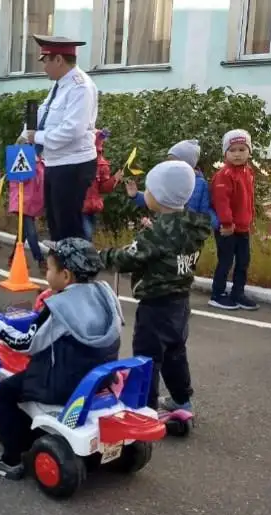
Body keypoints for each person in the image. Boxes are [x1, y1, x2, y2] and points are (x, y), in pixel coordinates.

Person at [0, 238, 123, 480]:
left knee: (4, 392)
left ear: (65, 276)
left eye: (49, 269)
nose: (46, 274)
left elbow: (27, 343)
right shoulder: (105, 294)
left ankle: (10, 461)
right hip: (99, 377)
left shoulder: (60, 307)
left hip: (61, 384)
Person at [99, 160, 211, 413]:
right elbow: (168, 247)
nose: (145, 193)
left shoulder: (157, 234)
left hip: (155, 305)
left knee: (146, 359)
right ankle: (182, 400)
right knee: (175, 353)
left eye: (148, 190)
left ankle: (144, 409)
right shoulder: (192, 225)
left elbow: (127, 258)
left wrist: (101, 255)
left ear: (160, 197)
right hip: (180, 302)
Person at [19, 35, 98, 242]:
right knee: (55, 223)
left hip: (73, 164)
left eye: (45, 61)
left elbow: (73, 129)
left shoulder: (80, 87)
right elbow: (44, 115)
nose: (44, 67)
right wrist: (24, 136)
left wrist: (37, 136)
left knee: (68, 227)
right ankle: (61, 261)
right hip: (56, 162)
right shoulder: (60, 85)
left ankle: (75, 263)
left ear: (59, 60)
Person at [208, 129, 258, 311]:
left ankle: (238, 293)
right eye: (232, 150)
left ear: (249, 152)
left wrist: (250, 219)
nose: (237, 154)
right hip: (227, 228)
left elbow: (249, 199)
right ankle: (217, 294)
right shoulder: (224, 175)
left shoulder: (248, 172)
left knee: (243, 262)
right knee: (226, 261)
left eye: (242, 149)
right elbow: (221, 202)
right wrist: (227, 223)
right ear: (225, 153)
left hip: (243, 227)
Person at [126, 139, 218, 228]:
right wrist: (136, 195)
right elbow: (156, 199)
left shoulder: (201, 184)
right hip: (167, 229)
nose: (168, 163)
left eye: (173, 160)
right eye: (168, 160)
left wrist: (219, 224)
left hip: (187, 233)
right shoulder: (167, 179)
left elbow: (205, 212)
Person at [82, 128, 123, 241]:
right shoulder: (78, 159)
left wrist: (115, 179)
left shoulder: (101, 164)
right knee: (85, 237)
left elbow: (103, 188)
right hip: (78, 207)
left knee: (86, 238)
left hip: (92, 208)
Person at [7, 157, 45, 269]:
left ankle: (13, 257)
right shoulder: (23, 158)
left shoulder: (42, 163)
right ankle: (40, 260)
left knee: (23, 233)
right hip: (22, 201)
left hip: (32, 203)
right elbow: (19, 179)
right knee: (31, 232)